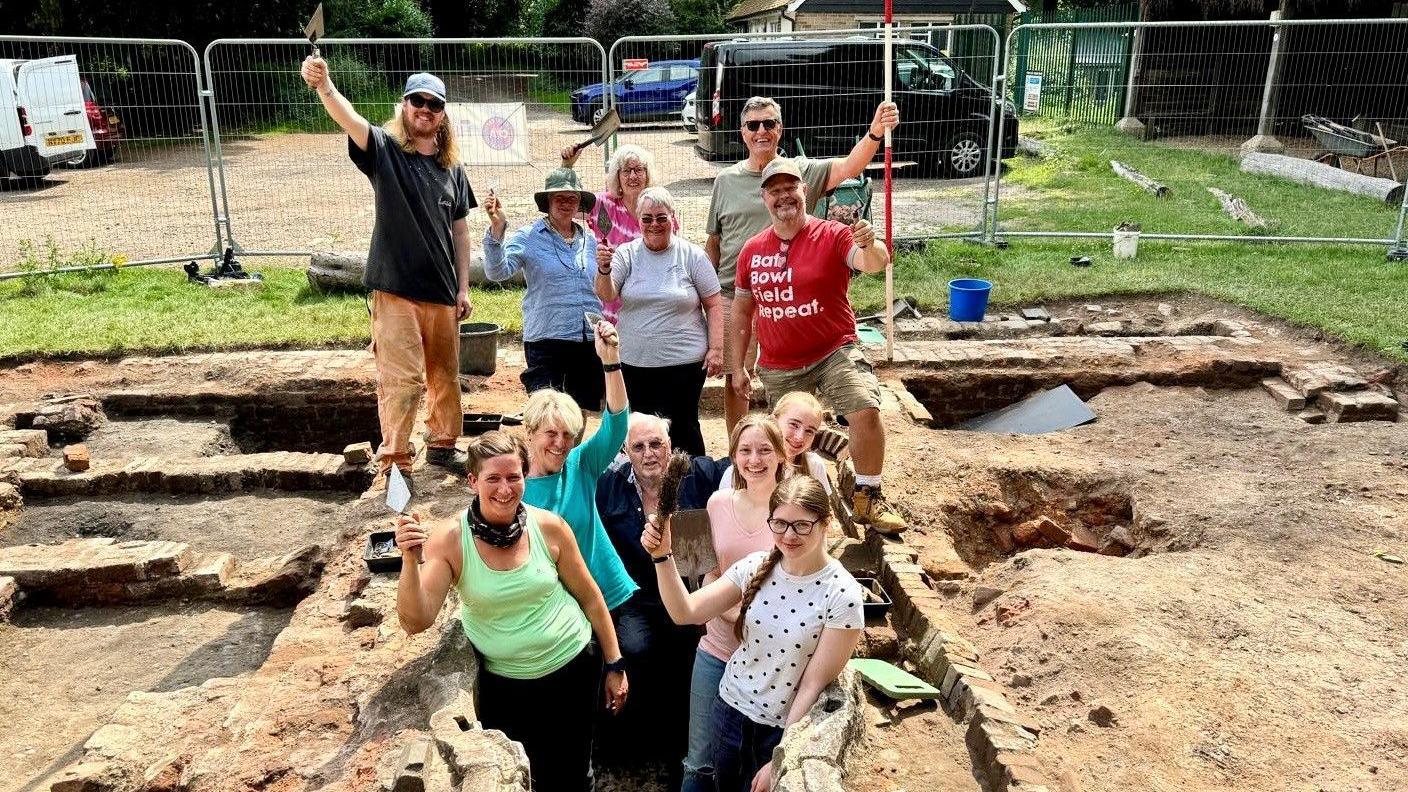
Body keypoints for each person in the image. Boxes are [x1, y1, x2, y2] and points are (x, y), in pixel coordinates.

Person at [392, 431, 628, 792]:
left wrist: (614, 663)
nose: (505, 489)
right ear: (473, 481)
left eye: (514, 477)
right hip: (507, 686)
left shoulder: (549, 526)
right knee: (522, 776)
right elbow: (416, 620)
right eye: (493, 478)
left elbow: (591, 597)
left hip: (574, 668)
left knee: (574, 771)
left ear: (525, 476)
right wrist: (410, 560)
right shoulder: (451, 540)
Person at [300, 59, 473, 476]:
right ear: (405, 106)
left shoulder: (452, 169)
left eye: (434, 104)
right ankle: (396, 460)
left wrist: (463, 288)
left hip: (442, 292)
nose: (426, 109)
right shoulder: (385, 150)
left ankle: (443, 445)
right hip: (395, 290)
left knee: (446, 378)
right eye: (418, 101)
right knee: (403, 379)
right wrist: (325, 87)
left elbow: (461, 232)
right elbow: (350, 119)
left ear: (443, 114)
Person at [643, 474, 864, 792]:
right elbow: (686, 612)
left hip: (777, 728)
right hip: (728, 710)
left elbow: (811, 684)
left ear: (825, 522)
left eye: (802, 525)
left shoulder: (842, 594)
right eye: (779, 524)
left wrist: (781, 755)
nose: (789, 535)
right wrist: (662, 557)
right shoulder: (755, 566)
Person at [729, 158, 907, 536]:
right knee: (787, 442)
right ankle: (782, 506)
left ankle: (869, 496)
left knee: (864, 407)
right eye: (774, 191)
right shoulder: (752, 251)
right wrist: (738, 365)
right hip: (779, 362)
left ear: (804, 190)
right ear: (764, 198)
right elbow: (743, 312)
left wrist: (871, 244)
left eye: (790, 188)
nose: (783, 197)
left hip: (833, 349)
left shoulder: (834, 235)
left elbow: (874, 262)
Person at [706, 95, 900, 436]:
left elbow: (850, 166)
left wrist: (874, 133)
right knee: (736, 375)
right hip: (736, 293)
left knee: (797, 380)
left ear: (780, 130)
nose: (761, 131)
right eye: (753, 125)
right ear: (743, 132)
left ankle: (804, 443)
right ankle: (739, 446)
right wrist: (706, 295)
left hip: (794, 291)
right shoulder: (726, 181)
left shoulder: (801, 171)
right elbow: (714, 243)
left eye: (769, 124)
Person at [594, 413, 728, 774]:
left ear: (670, 446)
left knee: (695, 650)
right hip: (639, 597)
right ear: (626, 451)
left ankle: (682, 744)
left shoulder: (698, 475)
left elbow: (750, 461)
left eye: (657, 444)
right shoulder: (610, 485)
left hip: (692, 591)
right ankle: (636, 746)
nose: (649, 453)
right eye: (639, 446)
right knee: (634, 649)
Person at [674, 413, 788, 792]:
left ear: (781, 456)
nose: (754, 460)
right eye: (745, 451)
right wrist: (731, 612)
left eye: (764, 451)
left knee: (751, 766)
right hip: (717, 646)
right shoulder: (718, 503)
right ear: (734, 456)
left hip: (769, 658)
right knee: (698, 763)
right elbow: (705, 571)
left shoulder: (793, 511)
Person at [520, 319, 638, 615]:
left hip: (608, 592)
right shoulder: (512, 487)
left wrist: (611, 362)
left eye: (568, 435)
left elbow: (617, 422)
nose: (560, 444)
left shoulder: (580, 463)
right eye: (551, 434)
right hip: (557, 606)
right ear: (529, 433)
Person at [595, 186, 723, 457]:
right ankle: (642, 485)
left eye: (661, 217)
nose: (654, 224)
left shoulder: (692, 256)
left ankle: (691, 486)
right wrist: (603, 269)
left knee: (684, 427)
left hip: (685, 365)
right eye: (647, 218)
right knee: (640, 429)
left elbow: (713, 304)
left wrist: (716, 349)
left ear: (673, 219)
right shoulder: (626, 254)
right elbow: (607, 293)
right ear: (638, 220)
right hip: (634, 363)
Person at [483, 168, 605, 411]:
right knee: (547, 414)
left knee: (578, 412)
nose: (566, 203)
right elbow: (497, 272)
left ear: (579, 203)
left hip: (587, 340)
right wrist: (498, 229)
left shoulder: (590, 241)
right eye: (559, 198)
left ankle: (573, 452)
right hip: (546, 339)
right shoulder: (529, 236)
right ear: (547, 202)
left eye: (572, 198)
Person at [562, 143, 677, 324]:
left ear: (647, 174)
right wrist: (567, 166)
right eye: (626, 171)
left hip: (651, 303)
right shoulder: (603, 205)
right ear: (617, 176)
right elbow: (565, 205)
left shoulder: (658, 208)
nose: (632, 176)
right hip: (610, 302)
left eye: (639, 170)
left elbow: (674, 252)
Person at [719, 391, 832, 495]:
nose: (799, 437)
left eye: (809, 431)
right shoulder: (737, 473)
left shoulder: (813, 465)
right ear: (774, 419)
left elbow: (824, 512)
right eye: (793, 424)